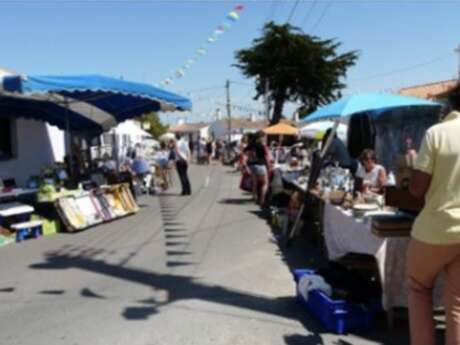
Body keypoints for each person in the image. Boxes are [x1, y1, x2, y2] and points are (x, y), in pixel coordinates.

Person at [407, 94, 460, 345]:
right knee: (457, 306)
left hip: (435, 229)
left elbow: (417, 189)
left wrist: (413, 166)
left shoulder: (437, 133)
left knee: (419, 288)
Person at [244, 131, 271, 206]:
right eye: (264, 137)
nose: (265, 138)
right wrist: (269, 166)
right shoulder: (262, 145)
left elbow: (244, 152)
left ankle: (254, 198)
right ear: (261, 137)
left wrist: (247, 161)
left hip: (252, 166)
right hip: (261, 165)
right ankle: (262, 200)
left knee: (255, 183)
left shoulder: (251, 144)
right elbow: (267, 156)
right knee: (265, 183)